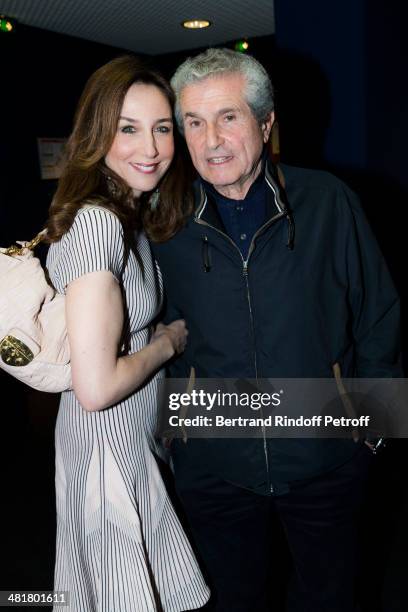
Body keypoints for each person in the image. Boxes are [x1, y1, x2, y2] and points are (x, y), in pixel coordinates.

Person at [152, 48, 402, 611]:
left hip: (325, 458)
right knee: (234, 599)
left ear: (266, 123)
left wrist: (374, 431)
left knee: (330, 597)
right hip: (214, 462)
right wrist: (177, 435)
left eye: (228, 117)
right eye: (193, 122)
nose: (210, 139)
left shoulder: (329, 202)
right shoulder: (163, 220)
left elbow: (379, 317)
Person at [45, 55, 209, 612]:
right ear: (97, 134)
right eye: (129, 129)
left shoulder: (126, 215)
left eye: (163, 128)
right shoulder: (97, 223)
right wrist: (167, 343)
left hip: (125, 442)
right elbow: (95, 387)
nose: (152, 148)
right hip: (105, 451)